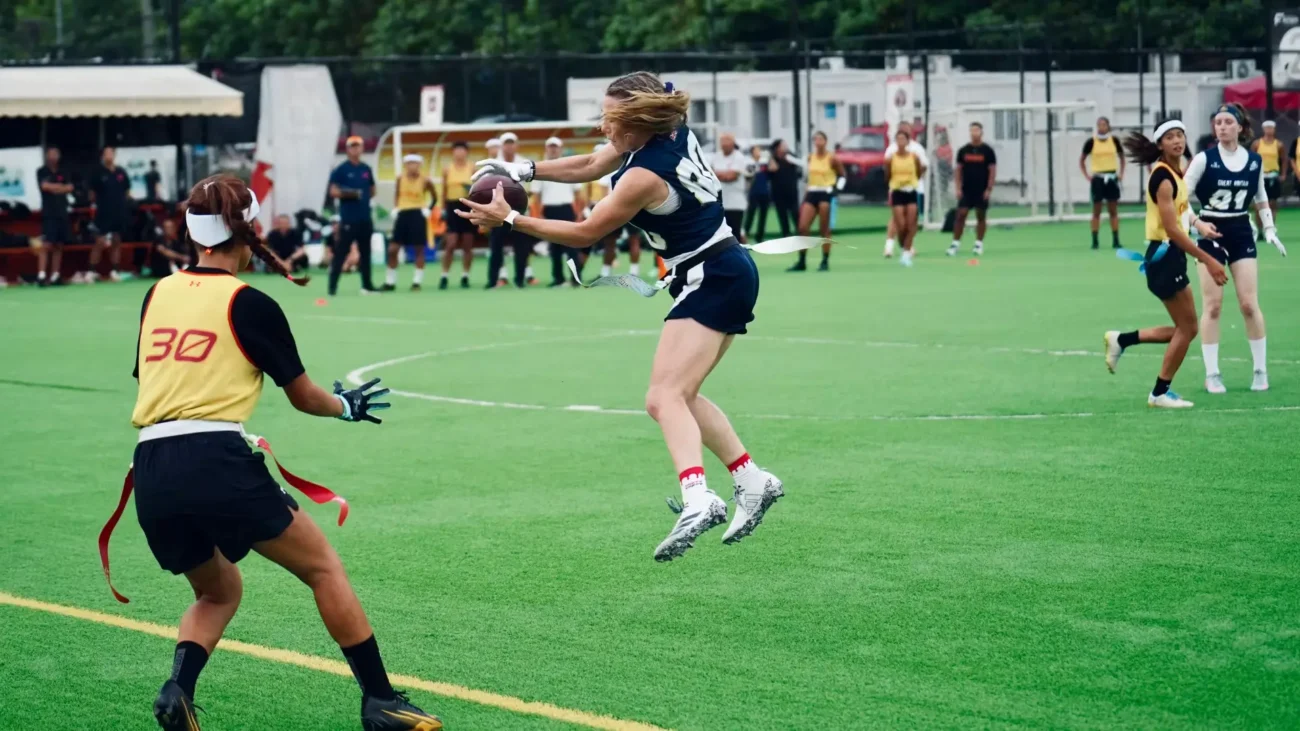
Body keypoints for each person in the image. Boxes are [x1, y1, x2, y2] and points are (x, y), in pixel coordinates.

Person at [129, 175, 440, 730]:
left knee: (218, 590)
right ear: (248, 229)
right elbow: (304, 397)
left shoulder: (159, 292)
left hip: (151, 468)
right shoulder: (250, 302)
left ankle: (178, 689)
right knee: (323, 568)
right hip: (214, 459)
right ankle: (381, 701)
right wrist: (344, 407)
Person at [463, 71, 783, 562]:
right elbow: (592, 163)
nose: (603, 127)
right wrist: (524, 170)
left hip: (712, 274)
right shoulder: (663, 136)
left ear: (637, 123)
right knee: (684, 394)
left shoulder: (642, 175)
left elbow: (587, 231)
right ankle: (751, 479)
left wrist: (510, 219)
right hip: (721, 268)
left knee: (663, 396)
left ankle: (700, 497)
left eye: (612, 119)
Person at [1102, 120, 1227, 408]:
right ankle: (1159, 392)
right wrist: (1208, 260)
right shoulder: (1163, 178)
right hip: (1165, 257)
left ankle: (1121, 340)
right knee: (1187, 329)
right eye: (1170, 137)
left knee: (1187, 328)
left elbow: (1181, 217)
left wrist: (1199, 224)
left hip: (1171, 256)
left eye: (1180, 135)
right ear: (1160, 144)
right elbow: (1171, 230)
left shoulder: (1175, 173)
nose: (1177, 141)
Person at [1182, 103, 1287, 394]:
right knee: (1213, 305)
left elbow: (1260, 197)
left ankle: (1260, 369)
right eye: (1218, 122)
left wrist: (1269, 228)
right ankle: (1212, 373)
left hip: (1240, 230)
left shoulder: (1254, 161)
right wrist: (1196, 223)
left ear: (1240, 127)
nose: (1222, 126)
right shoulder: (1204, 159)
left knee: (1249, 303)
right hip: (1210, 231)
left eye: (1228, 122)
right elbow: (1180, 196)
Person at [485, 132, 539, 288]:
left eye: (512, 143)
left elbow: (532, 187)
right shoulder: (495, 164)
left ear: (516, 145)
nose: (509, 146)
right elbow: (487, 187)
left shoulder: (524, 163)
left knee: (521, 247)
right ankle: (493, 280)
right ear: (502, 146)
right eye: (506, 143)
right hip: (499, 209)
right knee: (496, 247)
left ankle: (520, 280)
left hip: (519, 209)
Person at [327, 135, 378, 296]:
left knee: (366, 253)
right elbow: (333, 191)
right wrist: (349, 194)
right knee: (341, 252)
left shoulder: (365, 169)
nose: (356, 149)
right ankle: (332, 287)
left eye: (358, 146)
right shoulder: (341, 169)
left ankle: (367, 285)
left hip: (365, 218)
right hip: (349, 219)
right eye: (352, 146)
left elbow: (372, 190)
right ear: (348, 149)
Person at [789, 130, 845, 272]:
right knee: (802, 227)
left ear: (825, 142)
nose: (818, 142)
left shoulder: (832, 158)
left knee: (824, 229)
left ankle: (825, 260)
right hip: (812, 192)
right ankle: (802, 260)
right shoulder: (810, 158)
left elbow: (842, 175)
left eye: (821, 139)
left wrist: (836, 189)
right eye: (816, 140)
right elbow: (806, 176)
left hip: (825, 192)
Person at [535, 137, 586, 287]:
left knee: (571, 247)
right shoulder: (540, 168)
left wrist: (579, 213)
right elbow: (536, 196)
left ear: (560, 149)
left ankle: (575, 278)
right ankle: (558, 278)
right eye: (550, 147)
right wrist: (538, 214)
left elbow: (578, 194)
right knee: (554, 248)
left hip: (566, 209)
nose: (553, 149)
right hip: (549, 210)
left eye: (555, 147)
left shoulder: (569, 167)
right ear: (546, 149)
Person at [385, 154, 437, 291]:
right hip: (403, 214)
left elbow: (434, 197)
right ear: (405, 165)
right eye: (409, 163)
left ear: (419, 165)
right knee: (393, 249)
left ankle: (416, 282)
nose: (411, 166)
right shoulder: (400, 178)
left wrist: (428, 209)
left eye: (414, 163)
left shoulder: (425, 180)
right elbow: (397, 194)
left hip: (418, 214)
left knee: (419, 248)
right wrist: (396, 207)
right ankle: (390, 282)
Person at [949, 122, 997, 257]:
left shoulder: (988, 151)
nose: (974, 133)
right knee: (961, 214)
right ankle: (955, 244)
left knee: (980, 215)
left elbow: (992, 171)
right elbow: (958, 170)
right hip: (966, 190)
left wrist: (989, 189)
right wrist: (958, 187)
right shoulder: (963, 151)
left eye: (976, 130)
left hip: (981, 190)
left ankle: (978, 244)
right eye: (971, 130)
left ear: (981, 132)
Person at [882, 122, 928, 258]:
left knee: (911, 221)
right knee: (897, 219)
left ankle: (908, 246)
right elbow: (887, 171)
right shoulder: (891, 150)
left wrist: (915, 179)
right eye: (901, 131)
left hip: (914, 189)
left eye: (906, 130)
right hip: (896, 189)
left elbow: (923, 166)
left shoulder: (917, 149)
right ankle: (889, 246)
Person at [87, 146, 132, 282]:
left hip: (119, 212)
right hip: (103, 213)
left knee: (116, 241)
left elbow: (126, 191)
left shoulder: (121, 172)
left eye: (111, 153)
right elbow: (92, 195)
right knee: (99, 242)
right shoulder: (97, 173)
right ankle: (91, 271)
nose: (109, 155)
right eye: (106, 153)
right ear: (102, 156)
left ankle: (115, 270)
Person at [1081, 117, 1125, 250]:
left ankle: (1116, 240)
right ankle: (1095, 241)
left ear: (1108, 126)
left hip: (1111, 178)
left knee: (1113, 211)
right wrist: (1087, 176)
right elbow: (1082, 160)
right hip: (1098, 179)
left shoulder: (1114, 141)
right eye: (1099, 125)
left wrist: (1121, 174)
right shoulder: (1091, 142)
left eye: (1104, 124)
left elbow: (1122, 158)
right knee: (1096, 211)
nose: (1101, 127)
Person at [35, 146, 74, 286]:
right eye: (50, 154)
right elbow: (44, 186)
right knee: (46, 244)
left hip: (62, 212)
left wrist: (55, 188)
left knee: (59, 244)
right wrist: (60, 188)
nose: (53, 157)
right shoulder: (41, 171)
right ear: (47, 156)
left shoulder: (64, 171)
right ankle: (41, 275)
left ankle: (55, 275)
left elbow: (70, 188)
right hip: (49, 213)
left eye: (55, 154)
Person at [439, 141, 476, 289]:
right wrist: (442, 210)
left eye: (462, 150)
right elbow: (443, 191)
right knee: (451, 244)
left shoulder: (472, 168)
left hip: (467, 206)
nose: (459, 153)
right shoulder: (447, 169)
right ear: (453, 152)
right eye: (456, 150)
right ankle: (444, 276)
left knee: (467, 244)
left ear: (466, 152)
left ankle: (465, 276)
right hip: (452, 207)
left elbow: (476, 189)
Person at [710, 132, 752, 245]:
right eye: (722, 142)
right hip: (720, 202)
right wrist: (723, 174)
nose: (724, 145)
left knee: (736, 234)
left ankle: (741, 258)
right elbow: (710, 175)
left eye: (727, 142)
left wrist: (717, 174)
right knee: (719, 235)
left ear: (733, 143)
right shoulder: (716, 157)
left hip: (735, 203)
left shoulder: (739, 157)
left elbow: (731, 177)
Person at [1252, 120, 1282, 238]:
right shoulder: (1257, 144)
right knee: (1258, 205)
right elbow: (1251, 159)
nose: (1269, 130)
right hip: (1260, 177)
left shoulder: (1278, 144)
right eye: (1267, 128)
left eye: (1271, 128)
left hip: (1273, 176)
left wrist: (1283, 174)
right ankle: (1259, 230)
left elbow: (1284, 159)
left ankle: (1270, 229)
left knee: (1273, 204)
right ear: (1263, 129)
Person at [767, 139, 801, 242]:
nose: (785, 147)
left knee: (795, 213)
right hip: (778, 191)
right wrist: (771, 158)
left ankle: (800, 235)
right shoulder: (773, 159)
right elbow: (772, 170)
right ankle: (786, 235)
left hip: (791, 191)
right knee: (782, 214)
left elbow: (798, 169)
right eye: (783, 146)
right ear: (777, 148)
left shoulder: (791, 157)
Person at [742, 144, 771, 242]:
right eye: (757, 150)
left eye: (760, 150)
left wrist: (769, 157)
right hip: (754, 192)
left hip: (764, 192)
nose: (759, 152)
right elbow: (748, 176)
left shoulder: (765, 163)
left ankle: (760, 236)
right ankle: (745, 234)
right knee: (751, 214)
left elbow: (773, 169)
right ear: (752, 152)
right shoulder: (749, 163)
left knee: (763, 215)